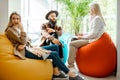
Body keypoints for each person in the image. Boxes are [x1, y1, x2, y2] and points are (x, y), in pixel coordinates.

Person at [5, 12, 84, 80]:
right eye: (13, 18)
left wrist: (25, 40)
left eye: (18, 19)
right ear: (10, 20)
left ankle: (56, 73)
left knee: (55, 47)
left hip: (30, 48)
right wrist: (22, 30)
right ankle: (70, 74)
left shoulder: (18, 28)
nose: (16, 20)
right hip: (25, 51)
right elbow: (23, 41)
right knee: (54, 54)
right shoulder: (10, 30)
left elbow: (28, 40)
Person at [68, 3, 106, 71]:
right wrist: (82, 34)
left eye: (90, 9)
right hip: (93, 38)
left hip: (94, 40)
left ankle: (70, 65)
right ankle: (74, 61)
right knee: (73, 39)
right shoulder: (96, 18)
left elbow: (93, 34)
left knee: (72, 44)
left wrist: (82, 37)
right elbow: (92, 32)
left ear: (93, 9)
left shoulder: (97, 19)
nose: (89, 11)